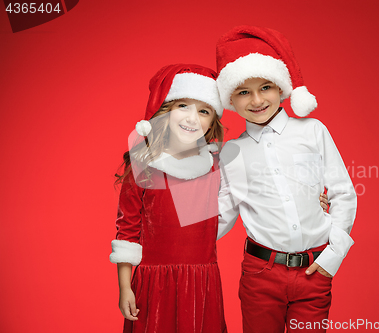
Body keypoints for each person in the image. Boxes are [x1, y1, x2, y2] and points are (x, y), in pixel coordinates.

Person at [215, 26, 357, 332]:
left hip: (313, 272)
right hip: (260, 276)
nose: (256, 100)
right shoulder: (233, 151)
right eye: (243, 92)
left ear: (281, 88)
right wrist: (174, 235)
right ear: (231, 99)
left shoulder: (313, 131)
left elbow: (343, 193)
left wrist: (334, 256)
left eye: (265, 87)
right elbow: (223, 213)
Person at [110, 64, 227, 333]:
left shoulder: (215, 166)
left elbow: (255, 194)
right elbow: (127, 231)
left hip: (202, 284)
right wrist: (125, 287)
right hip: (155, 285)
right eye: (183, 106)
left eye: (204, 110)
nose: (192, 118)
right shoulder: (143, 166)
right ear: (166, 111)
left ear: (212, 122)